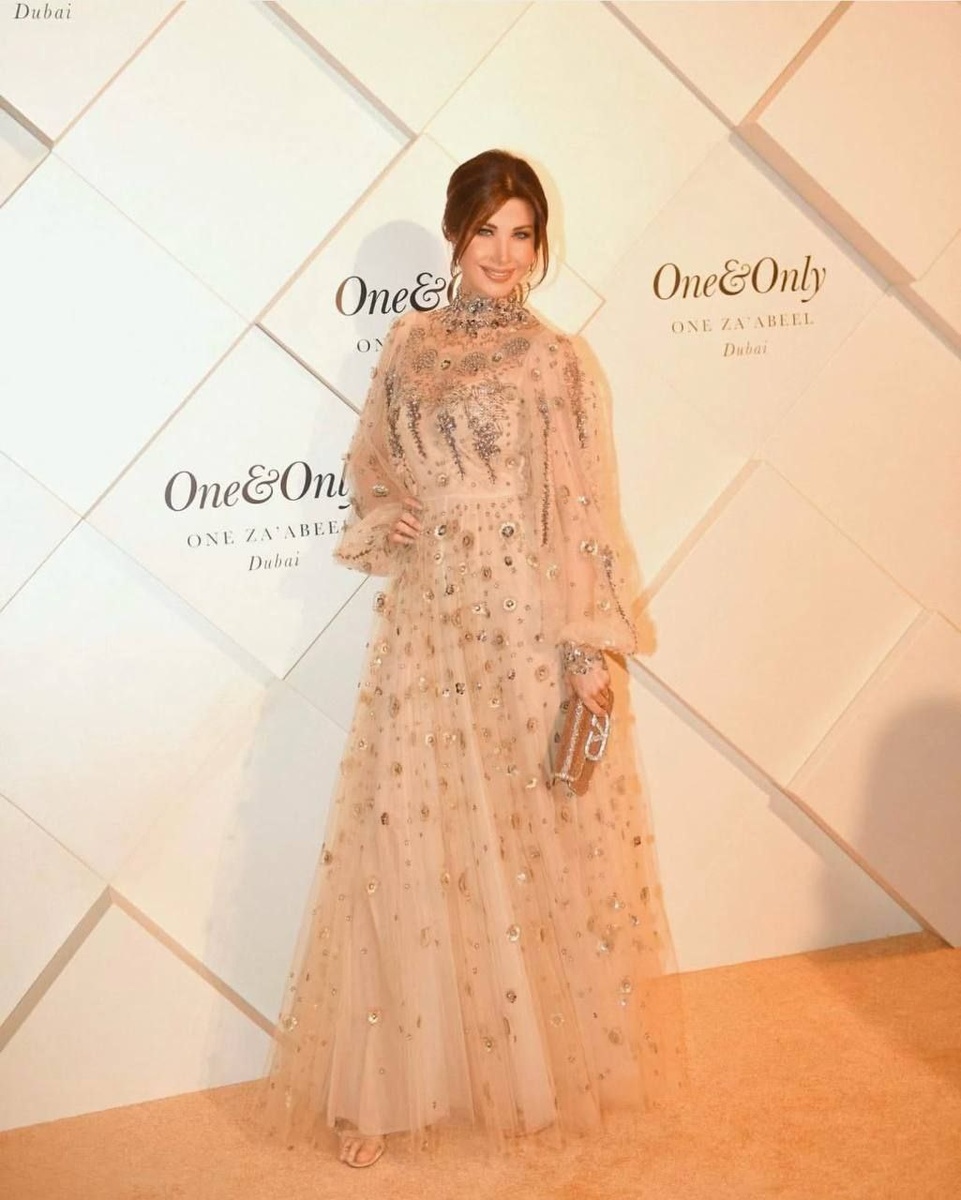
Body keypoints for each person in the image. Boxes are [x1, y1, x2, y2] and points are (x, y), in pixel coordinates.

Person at [249, 149, 686, 1168]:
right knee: (407, 838)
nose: (503, 253)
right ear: (456, 234)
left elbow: (579, 509)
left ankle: (532, 1074)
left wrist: (587, 646)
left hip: (523, 618)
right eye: (487, 230)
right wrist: (390, 517)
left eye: (521, 234)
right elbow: (369, 466)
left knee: (528, 839)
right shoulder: (408, 342)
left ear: (540, 245)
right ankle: (379, 1094)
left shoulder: (555, 360)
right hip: (428, 618)